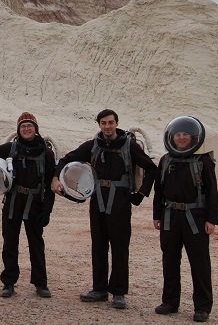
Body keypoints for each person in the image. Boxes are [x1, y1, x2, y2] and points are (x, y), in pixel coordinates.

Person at [51, 109, 156, 310]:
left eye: (110, 122)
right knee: (98, 245)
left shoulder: (129, 146)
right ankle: (99, 289)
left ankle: (118, 292)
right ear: (99, 125)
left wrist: (141, 194)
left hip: (120, 203)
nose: (107, 127)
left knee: (119, 246)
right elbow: (66, 160)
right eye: (103, 123)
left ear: (117, 123)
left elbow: (151, 168)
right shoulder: (93, 146)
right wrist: (57, 178)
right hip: (97, 201)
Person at [0, 112, 56, 298]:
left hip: (35, 203)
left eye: (30, 126)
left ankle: (40, 283)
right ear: (18, 129)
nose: (26, 129)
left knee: (36, 243)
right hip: (13, 202)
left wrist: (47, 210)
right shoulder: (10, 148)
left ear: (36, 129)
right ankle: (8, 282)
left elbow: (50, 185)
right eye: (23, 126)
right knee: (10, 242)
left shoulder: (47, 154)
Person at [153, 116, 218, 323]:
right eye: (178, 134)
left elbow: (212, 193)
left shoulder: (203, 162)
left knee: (199, 263)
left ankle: (202, 307)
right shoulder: (166, 161)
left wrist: (212, 219)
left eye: (185, 134)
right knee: (170, 259)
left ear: (193, 137)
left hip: (196, 218)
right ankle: (170, 301)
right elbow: (159, 190)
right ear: (172, 137)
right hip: (170, 216)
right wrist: (157, 215)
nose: (181, 138)